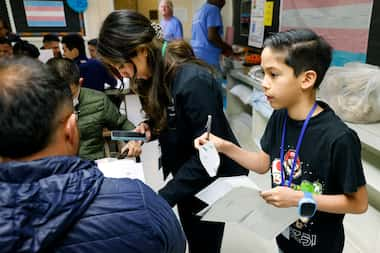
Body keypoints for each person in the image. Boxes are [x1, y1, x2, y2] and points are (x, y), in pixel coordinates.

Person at [194, 29, 368, 253]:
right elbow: (263, 163)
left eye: (273, 74)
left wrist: (299, 198)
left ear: (307, 78)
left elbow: (359, 203)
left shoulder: (339, 138)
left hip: (319, 246)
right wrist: (224, 146)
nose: (265, 83)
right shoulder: (280, 117)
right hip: (284, 237)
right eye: (263, 73)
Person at [0, 56, 186, 253]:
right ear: (70, 130)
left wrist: (135, 138)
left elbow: (123, 124)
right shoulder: (141, 205)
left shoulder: (98, 101)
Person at [97, 10, 247, 253]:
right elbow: (171, 116)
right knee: (191, 231)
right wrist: (149, 127)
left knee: (203, 242)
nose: (121, 74)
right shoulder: (154, 75)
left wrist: (162, 197)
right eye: (114, 69)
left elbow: (210, 154)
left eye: (121, 65)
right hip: (185, 172)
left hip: (208, 179)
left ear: (141, 50)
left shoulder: (192, 81)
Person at [47, 57, 140, 160]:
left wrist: (133, 140)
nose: (66, 100)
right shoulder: (38, 106)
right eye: (60, 95)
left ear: (80, 82)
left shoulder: (98, 100)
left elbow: (122, 124)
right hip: (57, 169)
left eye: (70, 95)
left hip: (92, 166)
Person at [190, 0, 232, 70]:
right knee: (214, 80)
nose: (224, 1)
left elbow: (202, 38)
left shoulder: (198, 12)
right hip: (209, 60)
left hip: (196, 57)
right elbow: (212, 37)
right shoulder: (213, 9)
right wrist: (227, 48)